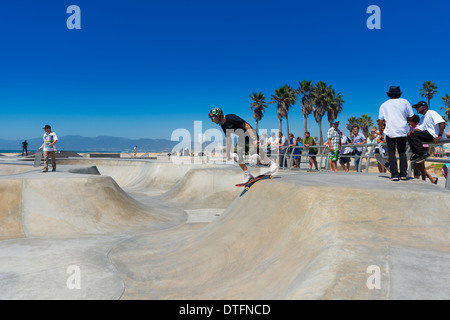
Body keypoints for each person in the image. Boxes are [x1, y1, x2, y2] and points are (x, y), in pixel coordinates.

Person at [209, 107, 277, 184]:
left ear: (218, 116)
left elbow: (246, 125)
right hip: (242, 138)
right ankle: (248, 174)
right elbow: (228, 139)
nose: (212, 120)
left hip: (251, 134)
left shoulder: (230, 117)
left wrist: (254, 139)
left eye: (212, 118)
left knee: (255, 154)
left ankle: (271, 163)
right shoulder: (223, 125)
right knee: (235, 155)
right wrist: (228, 153)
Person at [378, 86, 415, 181]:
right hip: (402, 131)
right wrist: (405, 121)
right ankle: (403, 174)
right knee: (402, 152)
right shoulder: (405, 102)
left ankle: (394, 174)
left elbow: (380, 121)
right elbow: (412, 116)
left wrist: (381, 134)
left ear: (389, 94)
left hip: (390, 132)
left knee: (391, 153)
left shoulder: (384, 105)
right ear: (399, 94)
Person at [408, 114, 438, 184]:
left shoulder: (419, 126)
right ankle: (430, 178)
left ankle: (426, 180)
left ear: (413, 121)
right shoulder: (413, 128)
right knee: (416, 165)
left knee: (421, 165)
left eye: (410, 123)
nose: (409, 125)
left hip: (422, 148)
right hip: (417, 148)